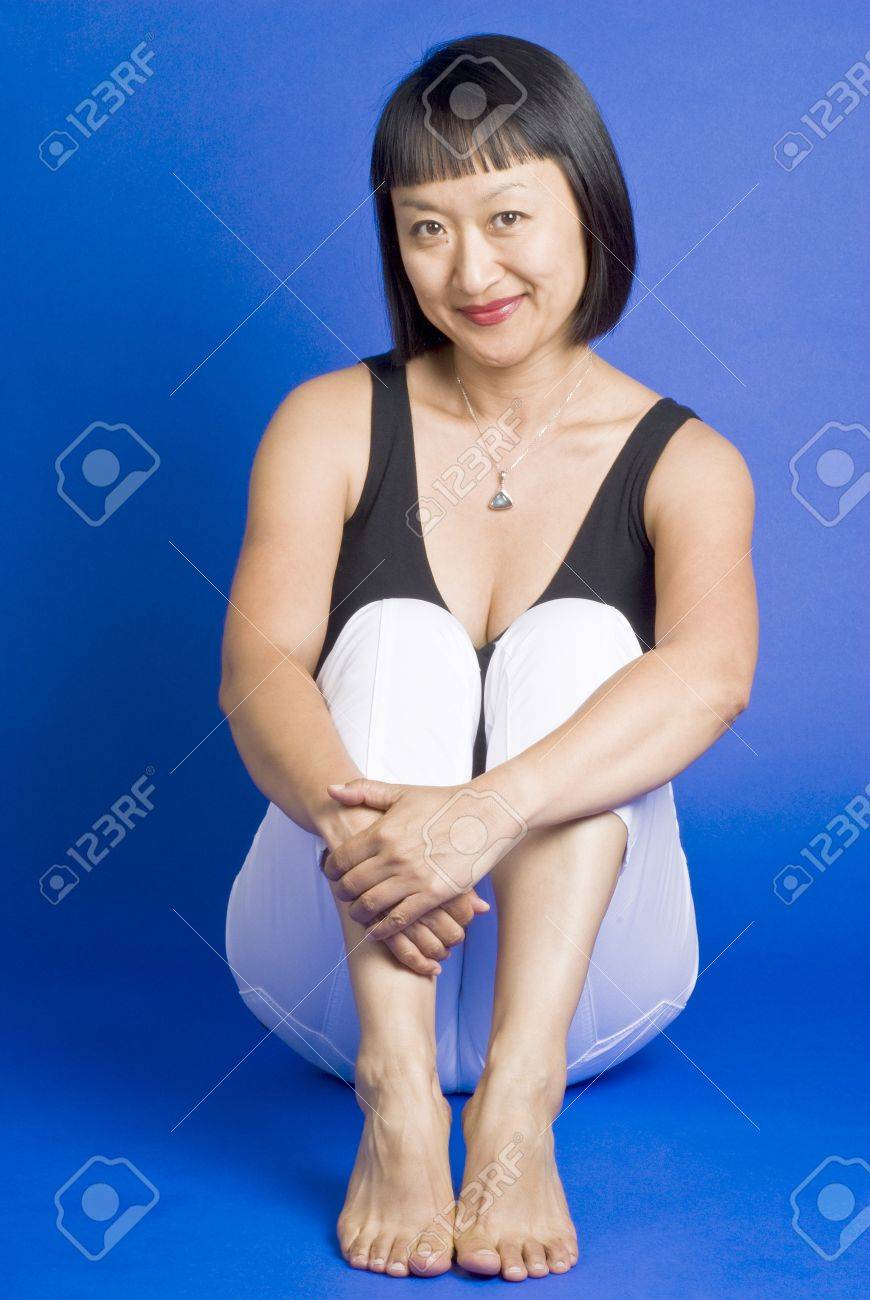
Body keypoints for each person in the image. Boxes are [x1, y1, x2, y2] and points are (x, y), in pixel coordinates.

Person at [220, 32, 758, 1283]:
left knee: (584, 641)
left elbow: (711, 678)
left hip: (589, 999)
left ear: (590, 210)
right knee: (395, 634)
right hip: (333, 969)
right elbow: (256, 674)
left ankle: (520, 1100)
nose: (471, 271)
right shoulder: (326, 422)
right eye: (427, 229)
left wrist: (483, 814)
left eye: (509, 217)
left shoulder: (688, 462)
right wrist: (375, 847)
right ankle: (398, 1093)